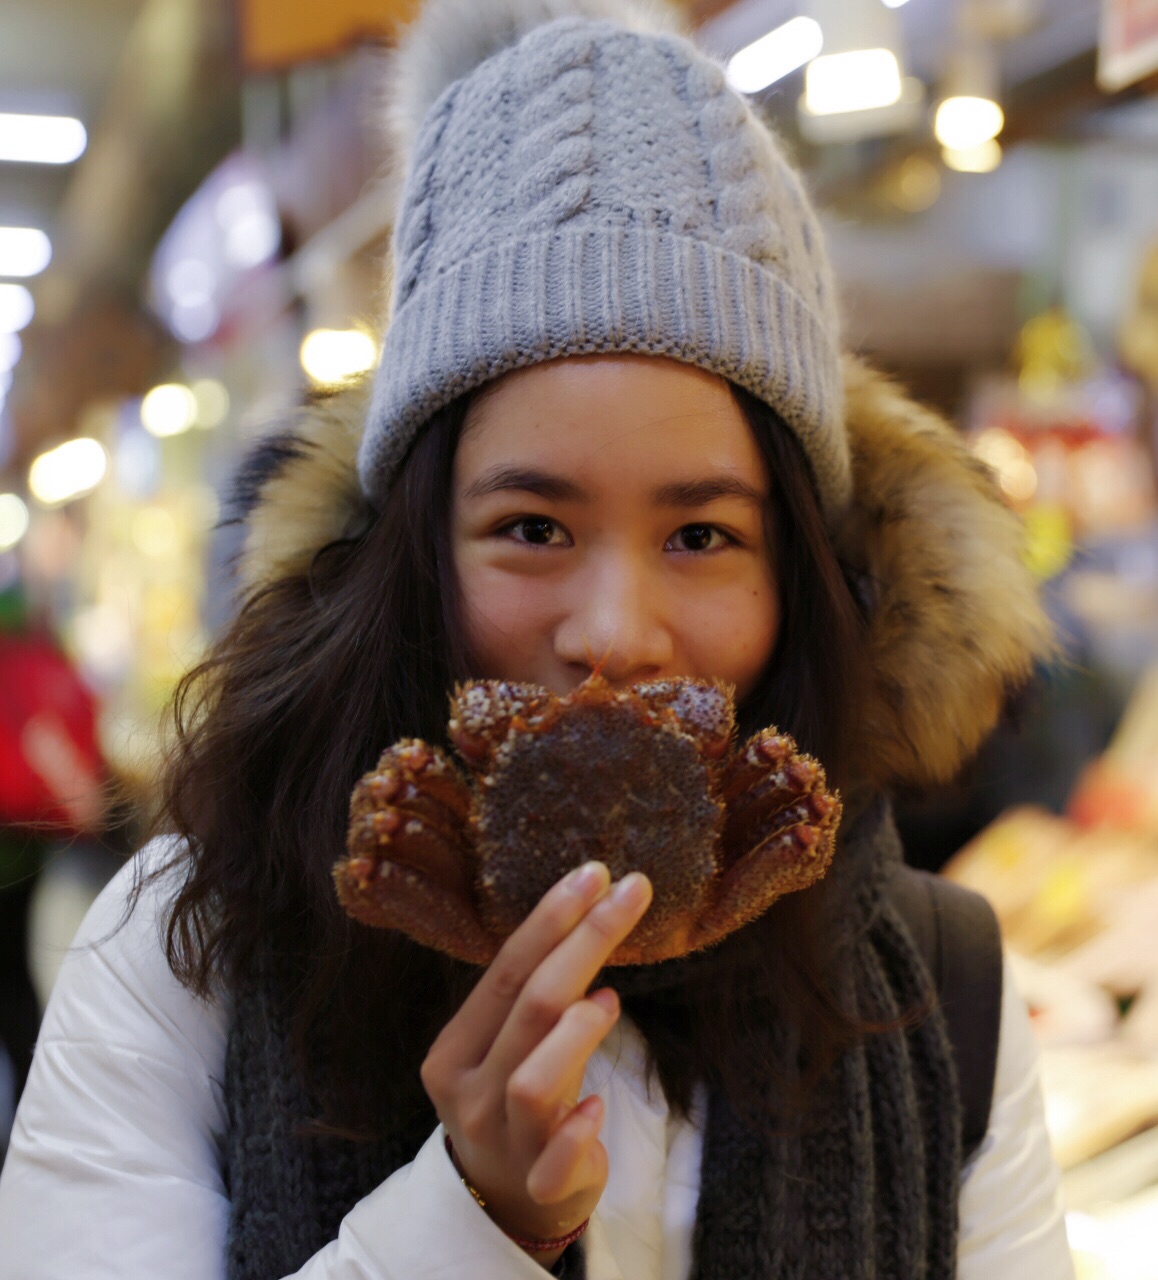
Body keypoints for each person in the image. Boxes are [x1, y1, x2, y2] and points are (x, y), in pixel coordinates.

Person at [0, 0, 1067, 1274]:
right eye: (532, 527)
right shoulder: (189, 953)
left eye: (704, 536)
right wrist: (468, 1224)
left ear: (810, 575)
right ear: (407, 553)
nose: (614, 632)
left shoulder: (946, 995)